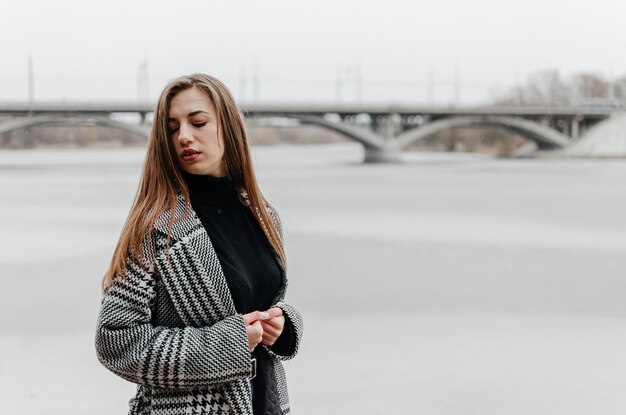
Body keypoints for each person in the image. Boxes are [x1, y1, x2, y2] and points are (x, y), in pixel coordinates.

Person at [95, 73, 303, 415]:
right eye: (172, 128)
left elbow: (256, 299)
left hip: (263, 403)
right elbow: (116, 341)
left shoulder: (264, 216)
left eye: (199, 122)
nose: (184, 137)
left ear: (230, 128)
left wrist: (282, 326)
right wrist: (227, 344)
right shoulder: (154, 228)